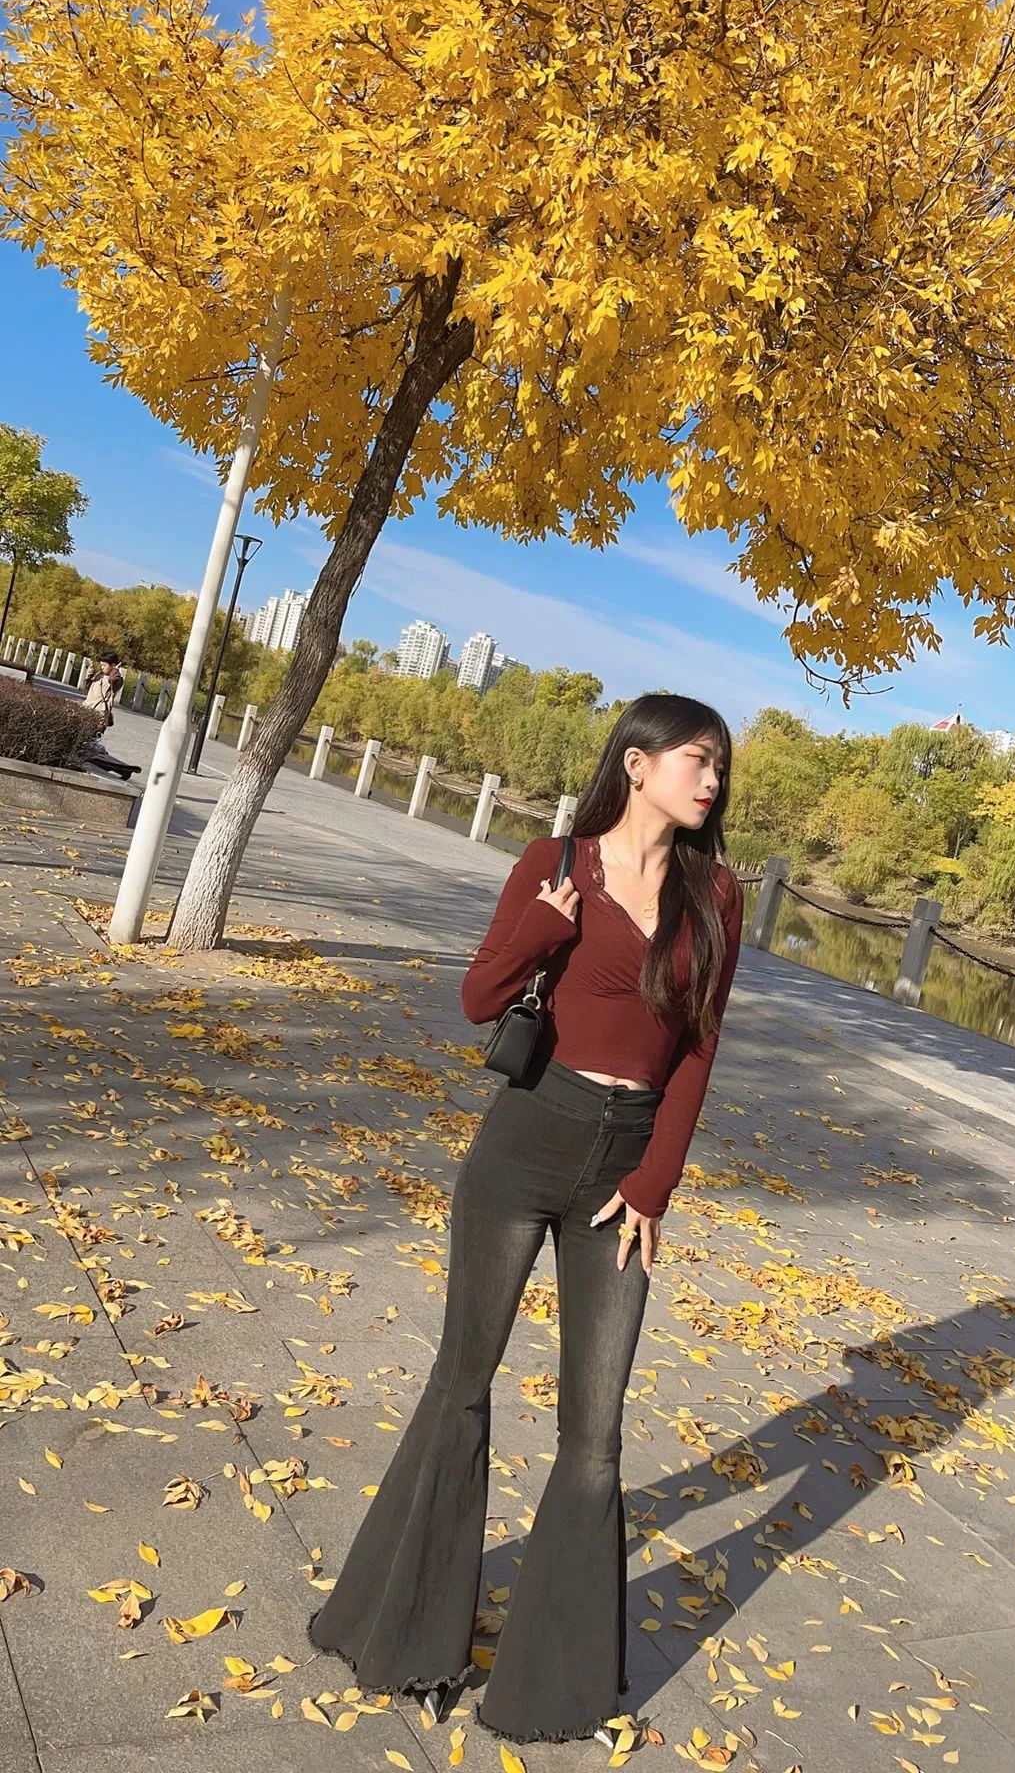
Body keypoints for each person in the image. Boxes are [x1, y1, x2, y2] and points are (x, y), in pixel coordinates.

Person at [308, 693, 744, 1744]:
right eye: (697, 759)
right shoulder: (555, 864)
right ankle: (404, 1636)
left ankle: (555, 1688)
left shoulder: (716, 893)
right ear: (636, 763)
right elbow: (477, 998)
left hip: (623, 1169)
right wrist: (547, 925)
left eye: (719, 766)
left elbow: (699, 1046)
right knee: (463, 1382)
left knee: (595, 1430)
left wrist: (655, 1185)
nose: (712, 780)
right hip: (526, 1142)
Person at [82, 650, 124, 737]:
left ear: (113, 665)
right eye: (101, 665)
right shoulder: (98, 675)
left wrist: (115, 670)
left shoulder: (117, 680)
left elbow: (113, 679)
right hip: (87, 709)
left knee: (93, 738)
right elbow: (88, 689)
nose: (102, 667)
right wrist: (89, 677)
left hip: (100, 714)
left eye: (104, 665)